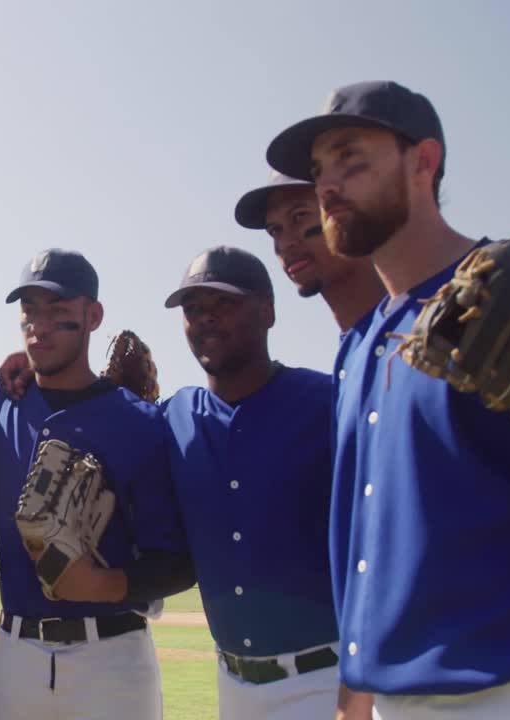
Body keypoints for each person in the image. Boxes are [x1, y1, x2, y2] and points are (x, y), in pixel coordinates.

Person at [266, 80, 510, 718]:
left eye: (351, 159)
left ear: (423, 162)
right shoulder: (359, 344)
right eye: (320, 170)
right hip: (389, 701)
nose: (327, 185)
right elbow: (360, 546)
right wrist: (354, 698)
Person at [0, 249, 194, 720]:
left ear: (93, 316)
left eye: (58, 312)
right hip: (19, 659)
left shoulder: (139, 423)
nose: (40, 325)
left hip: (112, 657)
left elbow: (178, 562)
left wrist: (102, 584)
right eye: (30, 312)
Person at [161, 246, 358, 719]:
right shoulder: (173, 418)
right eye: (192, 309)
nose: (205, 318)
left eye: (222, 303)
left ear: (268, 311)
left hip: (325, 682)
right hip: (233, 686)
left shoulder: (328, 402)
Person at [235, 171, 384, 333]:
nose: (285, 244)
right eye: (275, 230)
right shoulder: (352, 351)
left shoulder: (413, 319)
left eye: (300, 216)